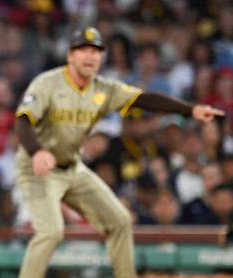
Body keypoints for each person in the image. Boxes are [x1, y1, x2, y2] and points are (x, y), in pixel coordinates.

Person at [14, 26, 224, 278]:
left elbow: (144, 100)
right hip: (38, 168)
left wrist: (189, 110)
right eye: (83, 50)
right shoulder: (47, 83)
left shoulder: (103, 89)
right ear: (70, 55)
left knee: (120, 221)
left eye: (95, 51)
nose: (89, 56)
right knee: (51, 232)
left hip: (72, 167)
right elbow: (23, 121)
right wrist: (36, 151)